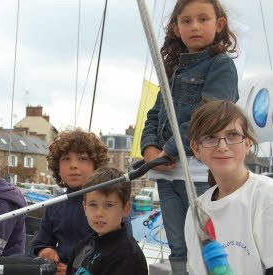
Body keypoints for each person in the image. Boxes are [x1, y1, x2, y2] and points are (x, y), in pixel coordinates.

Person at [140, 0, 239, 273]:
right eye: (186, 21)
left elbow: (207, 117)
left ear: (219, 25)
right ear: (176, 28)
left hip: (199, 174)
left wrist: (168, 150)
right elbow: (154, 114)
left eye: (203, 19)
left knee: (205, 243)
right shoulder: (171, 71)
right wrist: (149, 149)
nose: (194, 26)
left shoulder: (221, 66)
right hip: (166, 174)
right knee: (179, 248)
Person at [184, 100, 273, 275]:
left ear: (247, 144)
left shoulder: (266, 196)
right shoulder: (196, 210)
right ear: (196, 148)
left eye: (232, 135)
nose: (222, 146)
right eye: (210, 137)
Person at [30, 129, 132, 275]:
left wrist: (73, 271)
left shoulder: (109, 206)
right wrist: (44, 251)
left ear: (95, 165)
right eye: (66, 158)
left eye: (82, 158)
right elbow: (40, 242)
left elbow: (118, 253)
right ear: (57, 167)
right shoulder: (55, 205)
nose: (73, 165)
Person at [67, 167, 147, 275]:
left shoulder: (127, 256)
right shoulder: (83, 246)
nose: (99, 213)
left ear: (125, 209)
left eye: (109, 205)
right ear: (85, 208)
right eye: (93, 205)